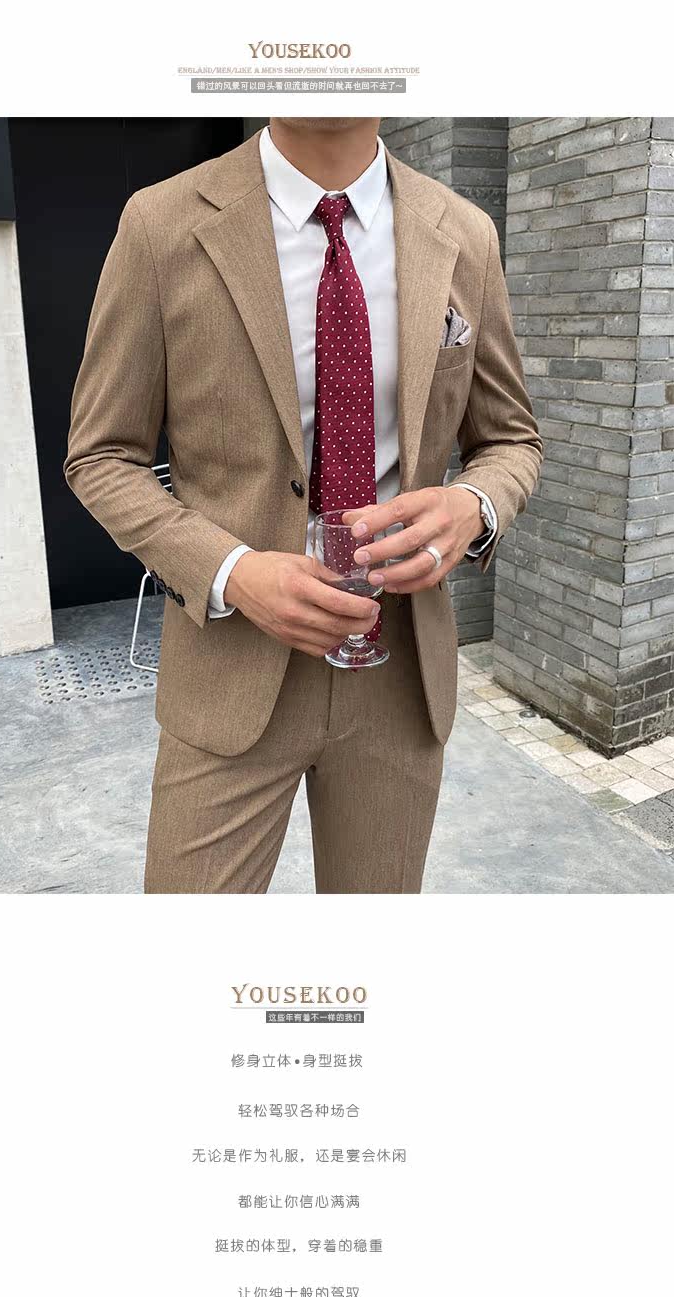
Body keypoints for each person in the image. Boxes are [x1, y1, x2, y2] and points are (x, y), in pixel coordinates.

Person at [64, 117, 543, 893]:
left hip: (399, 676)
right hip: (230, 670)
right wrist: (232, 571)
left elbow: (511, 439)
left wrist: (473, 504)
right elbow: (100, 455)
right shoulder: (161, 225)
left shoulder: (465, 235)